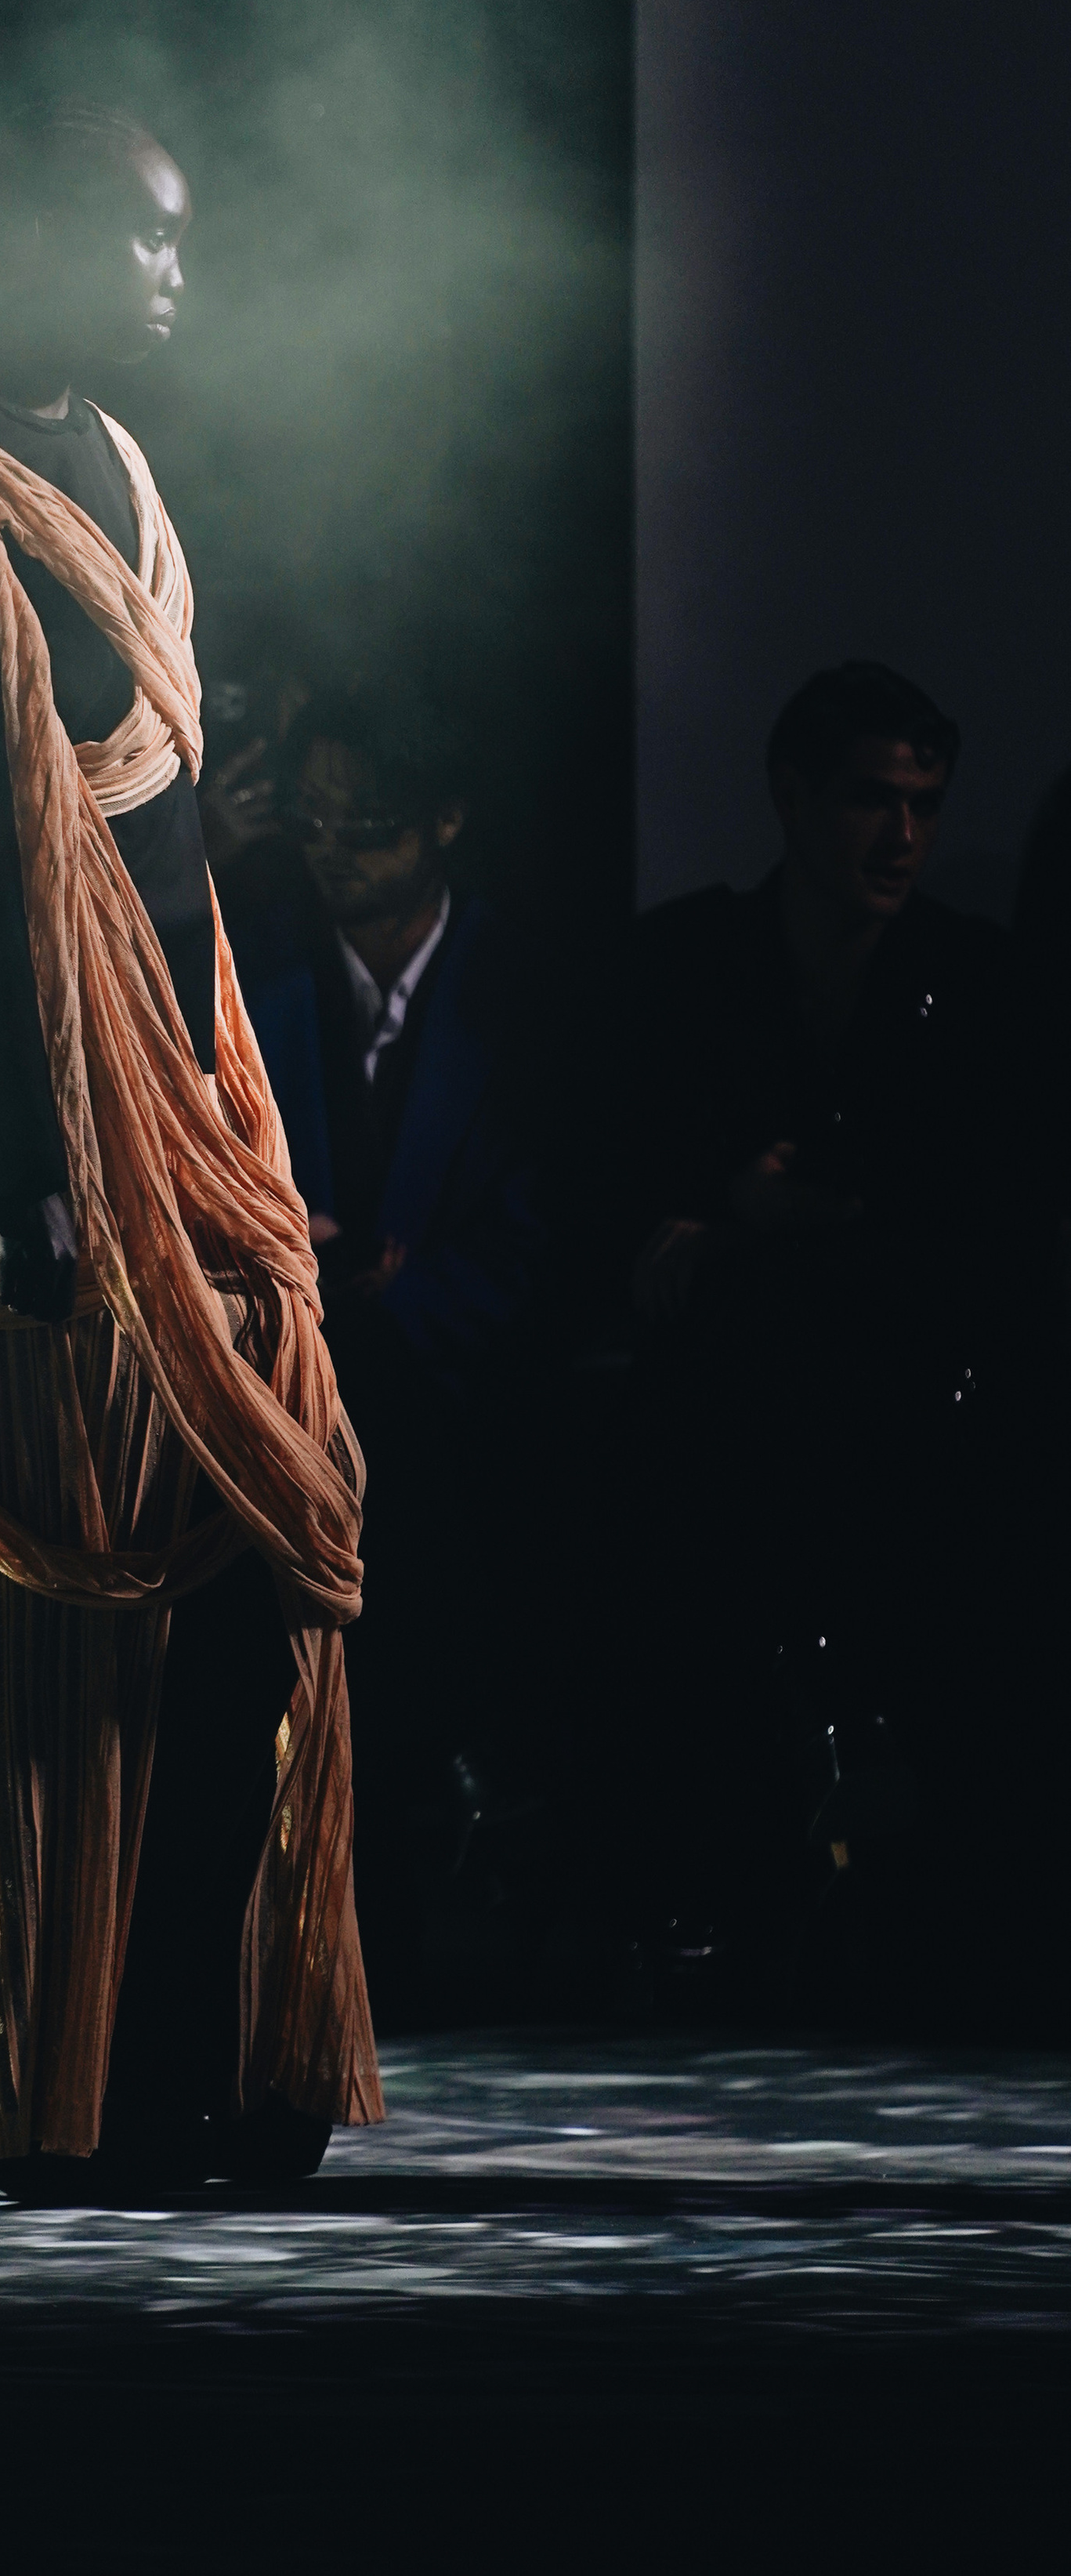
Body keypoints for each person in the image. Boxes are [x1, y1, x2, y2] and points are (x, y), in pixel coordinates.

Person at [0, 100, 378, 2194]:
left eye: (182, 242)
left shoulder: (131, 471)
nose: (177, 274)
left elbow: (168, 847)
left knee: (258, 1558)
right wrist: (25, 1160)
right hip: (49, 1123)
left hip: (182, 1098)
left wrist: (230, 1114)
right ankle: (29, 2080)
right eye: (142, 240)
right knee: (62, 1601)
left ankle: (201, 2055)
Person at [614, 661, 1051, 2004]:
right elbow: (621, 1193)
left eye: (924, 803)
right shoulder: (687, 962)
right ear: (794, 798)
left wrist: (752, 1227)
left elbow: (976, 1227)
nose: (902, 835)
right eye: (873, 799)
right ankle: (713, 1905)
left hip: (912, 1412)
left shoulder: (976, 979)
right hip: (729, 1421)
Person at [214, 687, 552, 2012]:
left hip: (460, 1405)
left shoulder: (524, 995)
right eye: (315, 821)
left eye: (368, 824)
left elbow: (543, 1244)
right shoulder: (262, 964)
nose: (336, 849)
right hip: (283, 1386)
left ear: (444, 825)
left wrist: (389, 1294)